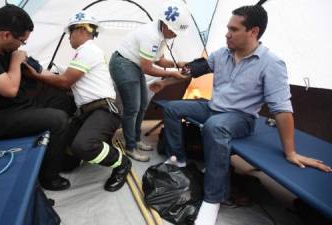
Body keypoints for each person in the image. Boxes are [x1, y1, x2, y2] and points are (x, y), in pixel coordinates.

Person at [150, 4, 332, 225]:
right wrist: (164, 81)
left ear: (253, 31)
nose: (227, 34)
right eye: (227, 28)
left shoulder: (271, 64)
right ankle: (178, 160)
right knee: (172, 107)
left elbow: (282, 109)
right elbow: (194, 70)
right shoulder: (221, 54)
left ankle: (214, 199)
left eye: (234, 29)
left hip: (241, 118)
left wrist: (290, 151)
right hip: (213, 107)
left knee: (214, 127)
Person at [0, 5, 77, 191]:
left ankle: (54, 149)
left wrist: (65, 81)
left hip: (17, 104)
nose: (21, 46)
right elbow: (9, 89)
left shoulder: (6, 47)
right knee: (58, 120)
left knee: (64, 100)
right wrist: (16, 62)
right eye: (22, 41)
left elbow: (38, 69)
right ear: (6, 35)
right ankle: (49, 177)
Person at [24, 11, 132, 192]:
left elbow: (65, 82)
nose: (68, 38)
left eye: (70, 32)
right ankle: (98, 146)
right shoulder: (83, 54)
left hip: (105, 110)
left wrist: (36, 75)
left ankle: (122, 163)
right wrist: (39, 70)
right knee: (66, 160)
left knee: (83, 146)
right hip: (88, 112)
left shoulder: (88, 50)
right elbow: (66, 82)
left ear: (81, 29)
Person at [108, 0, 190, 162]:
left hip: (134, 65)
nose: (175, 36)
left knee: (143, 104)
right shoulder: (151, 35)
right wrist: (173, 74)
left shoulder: (162, 34)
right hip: (123, 63)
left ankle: (136, 140)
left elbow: (159, 60)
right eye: (174, 32)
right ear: (165, 25)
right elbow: (147, 68)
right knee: (132, 108)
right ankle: (130, 146)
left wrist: (177, 64)